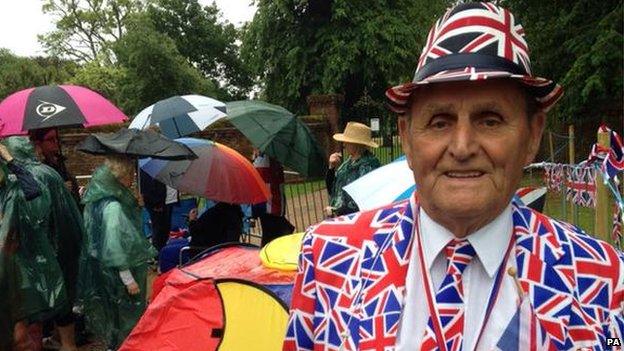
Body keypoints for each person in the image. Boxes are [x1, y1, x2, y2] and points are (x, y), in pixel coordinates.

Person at [284, 3, 623, 350]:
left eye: (490, 120)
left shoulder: (602, 284)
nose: (462, 147)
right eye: (440, 121)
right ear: (408, 138)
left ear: (532, 135)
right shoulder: (328, 259)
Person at [4, 136, 83, 351]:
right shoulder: (45, 175)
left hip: (23, 261)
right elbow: (68, 222)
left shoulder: (16, 180)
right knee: (47, 312)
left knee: (27, 322)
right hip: (46, 257)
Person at [79, 155, 157, 349]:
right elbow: (114, 245)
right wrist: (128, 278)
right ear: (119, 177)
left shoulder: (98, 201)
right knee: (125, 318)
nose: (131, 179)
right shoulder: (113, 207)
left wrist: (135, 206)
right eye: (129, 174)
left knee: (112, 317)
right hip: (121, 275)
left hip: (104, 272)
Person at [325, 122, 381, 217]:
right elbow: (332, 190)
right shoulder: (347, 164)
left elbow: (362, 199)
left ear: (357, 144)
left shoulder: (369, 167)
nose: (344, 144)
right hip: (341, 217)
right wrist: (331, 168)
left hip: (357, 219)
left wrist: (337, 210)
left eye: (347, 141)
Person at [252, 149, 294, 246]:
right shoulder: (265, 158)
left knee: (271, 234)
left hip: (269, 204)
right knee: (274, 235)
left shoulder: (261, 158)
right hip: (270, 204)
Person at [139, 169, 170, 253]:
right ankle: (157, 253)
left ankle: (159, 251)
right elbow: (147, 188)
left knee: (162, 229)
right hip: (155, 204)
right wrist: (156, 204)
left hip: (160, 203)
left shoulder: (152, 169)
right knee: (158, 230)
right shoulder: (147, 170)